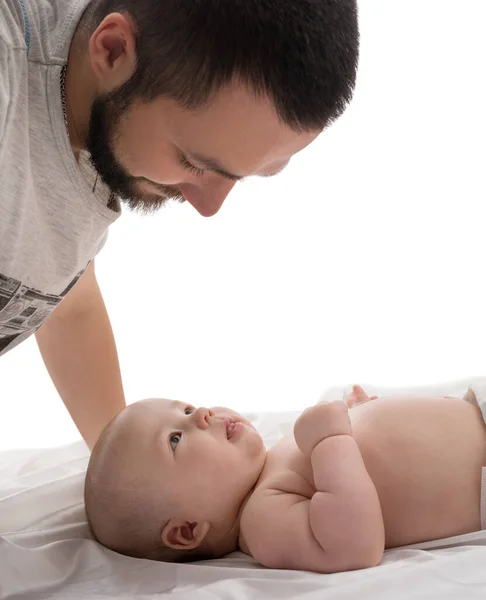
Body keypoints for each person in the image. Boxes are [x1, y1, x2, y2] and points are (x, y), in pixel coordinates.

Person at [0, 0, 359, 450]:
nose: (208, 207)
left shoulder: (91, 104)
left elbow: (65, 301)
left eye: (249, 175)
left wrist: (129, 468)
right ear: (112, 50)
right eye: (193, 161)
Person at [84, 384, 486, 573]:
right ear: (188, 530)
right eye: (175, 438)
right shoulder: (263, 521)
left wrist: (354, 413)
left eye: (187, 407)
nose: (202, 414)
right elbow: (353, 547)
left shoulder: (270, 462)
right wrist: (332, 439)